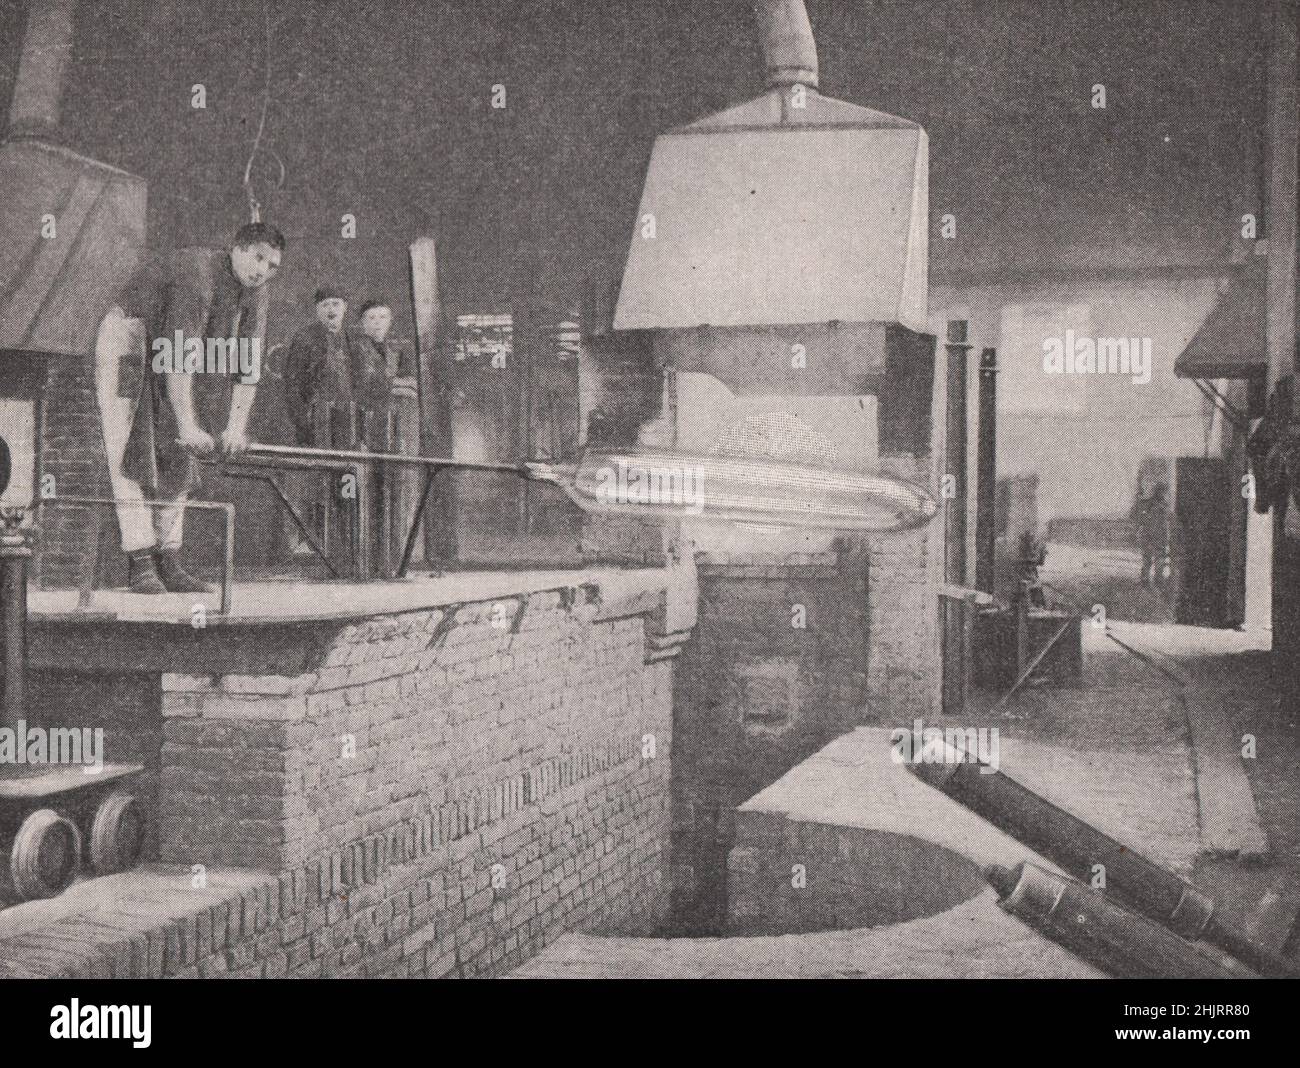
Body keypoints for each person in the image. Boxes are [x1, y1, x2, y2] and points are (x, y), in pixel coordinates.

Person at [93, 222, 285, 593]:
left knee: (181, 456)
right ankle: (141, 562)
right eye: (258, 257)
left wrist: (235, 427)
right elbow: (178, 355)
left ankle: (169, 560)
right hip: (130, 339)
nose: (262, 269)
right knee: (130, 451)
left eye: (273, 265)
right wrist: (186, 424)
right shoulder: (197, 274)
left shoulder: (257, 291)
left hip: (173, 352)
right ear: (237, 248)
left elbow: (249, 364)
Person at [1132, 482, 1173, 588]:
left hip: (1158, 537)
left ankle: (1156, 580)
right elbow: (1137, 516)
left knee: (1156, 560)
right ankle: (1147, 581)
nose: (1163, 494)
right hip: (1150, 536)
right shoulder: (1149, 504)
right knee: (1148, 560)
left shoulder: (1164, 505)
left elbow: (1166, 522)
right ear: (1158, 491)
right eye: (1162, 491)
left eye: (1164, 492)